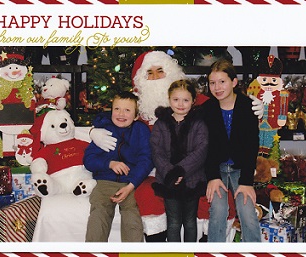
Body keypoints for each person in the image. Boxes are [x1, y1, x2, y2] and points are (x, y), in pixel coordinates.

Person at [89, 50, 264, 242]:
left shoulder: (198, 104)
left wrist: (254, 107)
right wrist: (93, 130)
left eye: (160, 70)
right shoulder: (139, 103)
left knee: (216, 205)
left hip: (195, 171)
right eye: (149, 73)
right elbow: (119, 112)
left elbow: (219, 124)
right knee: (154, 199)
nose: (155, 77)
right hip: (156, 171)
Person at [203, 58, 261, 242]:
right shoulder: (207, 109)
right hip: (217, 167)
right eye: (212, 83)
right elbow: (205, 147)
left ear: (234, 82)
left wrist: (246, 182)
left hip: (240, 168)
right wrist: (212, 177)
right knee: (218, 210)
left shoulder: (247, 107)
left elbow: (252, 146)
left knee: (247, 211)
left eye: (222, 82)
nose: (217, 87)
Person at [83, 91, 154, 242]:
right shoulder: (103, 130)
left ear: (135, 115)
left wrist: (132, 185)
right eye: (117, 109)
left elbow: (146, 160)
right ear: (111, 111)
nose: (121, 114)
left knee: (132, 219)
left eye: (127, 110)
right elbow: (88, 160)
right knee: (98, 216)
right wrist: (109, 163)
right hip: (105, 182)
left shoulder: (140, 130)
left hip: (130, 183)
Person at [150, 79, 208, 242]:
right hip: (168, 181)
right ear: (169, 100)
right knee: (174, 223)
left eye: (186, 100)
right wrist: (171, 173)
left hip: (192, 180)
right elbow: (156, 150)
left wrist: (181, 171)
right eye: (176, 99)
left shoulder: (198, 123)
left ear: (193, 101)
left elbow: (201, 150)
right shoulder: (161, 123)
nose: (180, 104)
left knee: (189, 222)